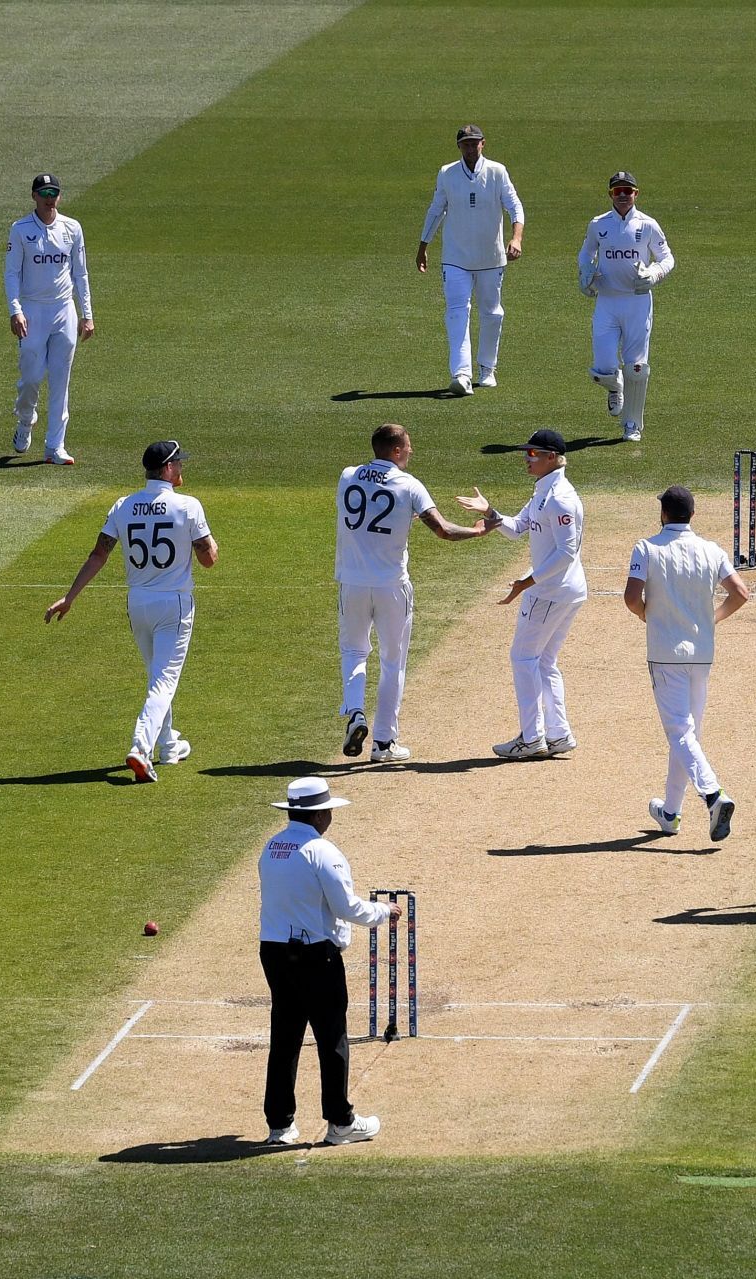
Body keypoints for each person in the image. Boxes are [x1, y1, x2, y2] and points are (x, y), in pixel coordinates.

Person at [44, 440, 218, 781]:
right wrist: (211, 544)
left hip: (137, 604)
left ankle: (168, 743)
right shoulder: (188, 506)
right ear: (167, 469)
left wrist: (70, 597)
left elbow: (99, 555)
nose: (182, 468)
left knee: (156, 675)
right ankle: (141, 747)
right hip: (174, 604)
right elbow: (208, 560)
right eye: (178, 463)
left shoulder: (124, 505)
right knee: (164, 682)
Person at [335, 423, 492, 763]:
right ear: (395, 450)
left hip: (352, 583)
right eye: (407, 446)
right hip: (392, 585)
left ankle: (356, 712)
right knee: (393, 663)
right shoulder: (410, 486)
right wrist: (477, 532)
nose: (411, 451)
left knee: (353, 651)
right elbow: (444, 530)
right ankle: (383, 743)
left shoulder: (347, 476)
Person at [256, 776, 398, 1147]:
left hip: (273, 952)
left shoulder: (271, 848)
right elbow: (347, 908)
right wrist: (384, 911)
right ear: (319, 816)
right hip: (314, 956)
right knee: (331, 1037)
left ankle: (279, 1126)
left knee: (285, 1036)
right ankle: (340, 1122)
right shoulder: (323, 852)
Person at [623, 486, 749, 842]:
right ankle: (670, 813)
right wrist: (712, 620)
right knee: (687, 733)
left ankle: (713, 796)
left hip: (665, 652)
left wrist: (650, 616)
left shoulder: (646, 548)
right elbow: (740, 593)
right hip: (701, 653)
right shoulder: (712, 549)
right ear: (693, 515)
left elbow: (632, 598)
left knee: (680, 731)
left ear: (663, 514)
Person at [456, 430, 587, 759]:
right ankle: (558, 734)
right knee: (543, 661)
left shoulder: (560, 498)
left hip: (550, 592)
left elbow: (566, 553)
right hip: (560, 590)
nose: (527, 458)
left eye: (533, 454)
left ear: (552, 458)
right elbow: (517, 529)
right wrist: (491, 514)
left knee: (523, 658)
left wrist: (527, 582)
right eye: (527, 453)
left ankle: (532, 739)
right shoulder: (544, 491)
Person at [416, 125, 525, 397]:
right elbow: (436, 209)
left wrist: (516, 238)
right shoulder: (447, 173)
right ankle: (461, 374)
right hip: (455, 259)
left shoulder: (497, 172)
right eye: (465, 143)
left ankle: (487, 368)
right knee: (456, 312)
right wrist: (423, 245)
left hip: (491, 258)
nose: (470, 148)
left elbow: (514, 205)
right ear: (459, 147)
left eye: (474, 143)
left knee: (492, 312)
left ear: (483, 144)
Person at [577, 171, 674, 442]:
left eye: (627, 191)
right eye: (617, 191)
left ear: (636, 194)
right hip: (607, 302)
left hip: (637, 302)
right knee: (603, 368)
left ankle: (632, 425)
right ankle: (614, 386)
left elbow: (667, 258)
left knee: (636, 367)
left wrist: (653, 274)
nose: (623, 195)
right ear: (610, 194)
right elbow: (586, 253)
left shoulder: (648, 225)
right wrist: (585, 272)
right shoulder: (598, 225)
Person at [6, 173, 93, 465]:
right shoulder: (20, 229)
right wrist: (15, 310)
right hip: (32, 310)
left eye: (53, 192)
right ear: (33, 196)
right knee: (31, 377)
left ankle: (55, 446)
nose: (48, 198)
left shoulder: (72, 228)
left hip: (63, 310)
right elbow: (12, 274)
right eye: (43, 193)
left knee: (60, 380)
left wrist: (87, 315)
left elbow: (80, 273)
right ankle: (25, 419)